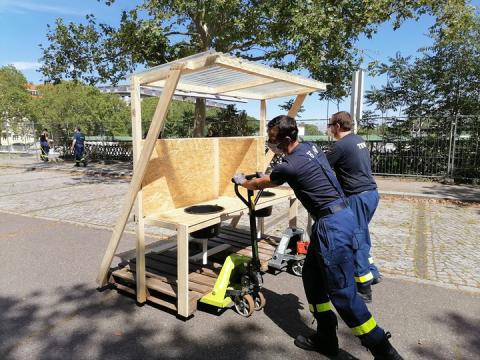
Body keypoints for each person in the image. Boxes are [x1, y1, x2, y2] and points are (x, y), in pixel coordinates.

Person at [233, 115, 402, 359]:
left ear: (288, 139)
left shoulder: (287, 166)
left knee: (343, 294)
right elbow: (296, 171)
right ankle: (326, 337)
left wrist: (242, 181)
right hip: (337, 219)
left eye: (273, 140)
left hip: (332, 227)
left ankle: (384, 350)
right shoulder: (310, 148)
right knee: (312, 276)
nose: (271, 144)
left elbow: (262, 183)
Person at [326, 111, 382, 303]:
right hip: (371, 194)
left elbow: (322, 167)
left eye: (330, 125)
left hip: (357, 197)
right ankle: (372, 272)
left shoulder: (340, 146)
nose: (329, 129)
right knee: (362, 233)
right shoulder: (359, 139)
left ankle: (363, 289)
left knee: (356, 238)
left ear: (338, 126)